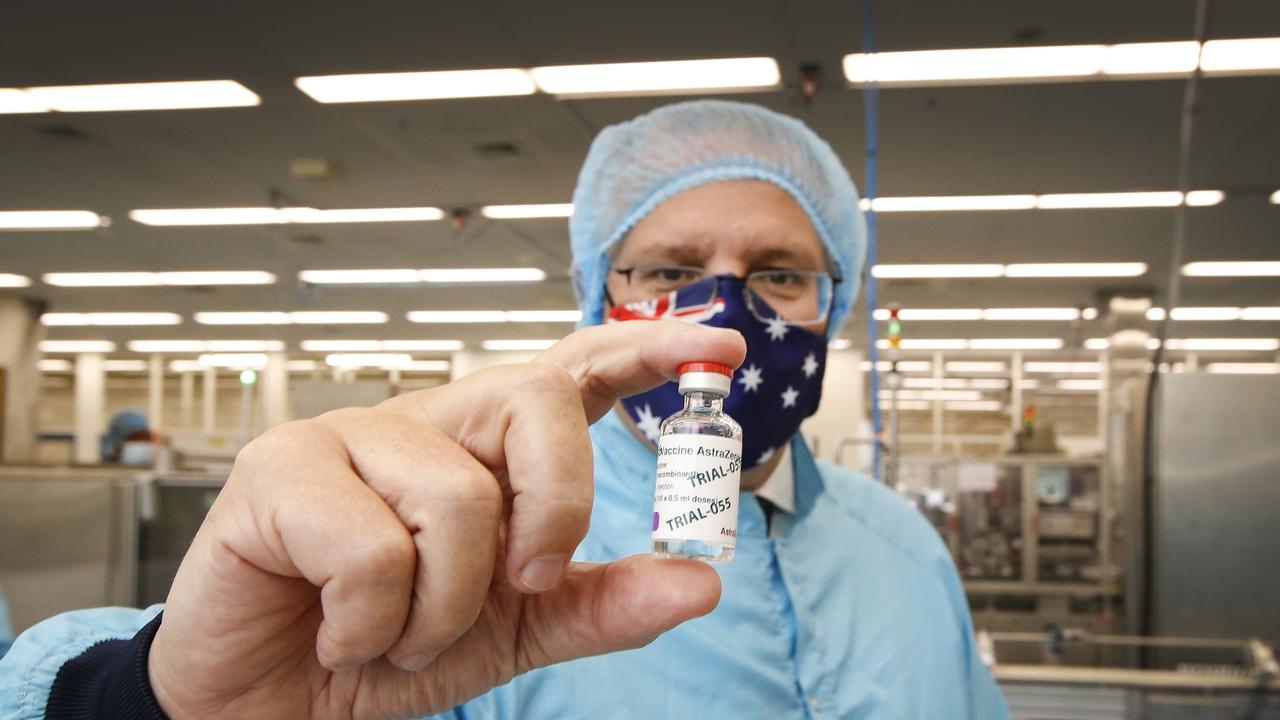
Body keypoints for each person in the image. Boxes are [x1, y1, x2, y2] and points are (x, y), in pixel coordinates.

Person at [0, 100, 1009, 719]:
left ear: (834, 304)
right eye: (668, 270)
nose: (725, 311)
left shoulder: (902, 553)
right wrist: (152, 702)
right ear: (594, 295)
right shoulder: (483, 548)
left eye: (780, 274)